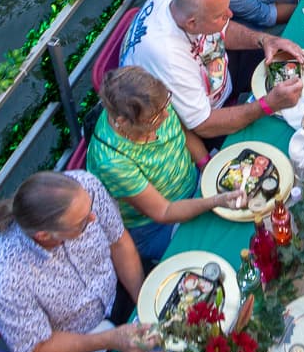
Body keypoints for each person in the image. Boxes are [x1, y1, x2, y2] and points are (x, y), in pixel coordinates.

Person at [0, 171, 158, 352]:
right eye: (82, 223)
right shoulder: (1, 278)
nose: (93, 218)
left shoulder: (84, 188)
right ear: (43, 235)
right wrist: (110, 340)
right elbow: (37, 345)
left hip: (122, 287)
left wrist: (144, 305)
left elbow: (119, 242)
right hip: (79, 342)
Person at [118, 0, 304, 138]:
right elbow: (203, 124)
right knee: (274, 135)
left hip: (218, 67)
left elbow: (223, 28)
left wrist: (264, 40)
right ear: (192, 23)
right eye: (221, 15)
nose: (231, 15)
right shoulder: (167, 56)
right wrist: (266, 105)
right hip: (203, 120)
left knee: (287, 61)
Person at [87, 67, 247, 264]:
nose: (165, 116)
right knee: (225, 248)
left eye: (166, 104)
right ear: (122, 122)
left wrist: (207, 166)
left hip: (195, 183)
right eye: (154, 118)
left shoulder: (155, 103)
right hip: (159, 226)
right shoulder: (111, 162)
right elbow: (164, 211)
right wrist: (214, 201)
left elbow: (183, 133)